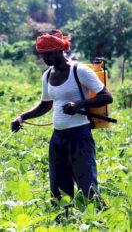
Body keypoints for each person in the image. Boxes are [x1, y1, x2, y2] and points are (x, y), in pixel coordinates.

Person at [11, 30, 112, 207]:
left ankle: (103, 221)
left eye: (48, 54)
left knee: (87, 186)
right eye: (42, 55)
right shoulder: (47, 75)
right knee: (58, 189)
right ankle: (63, 222)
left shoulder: (78, 70)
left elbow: (106, 96)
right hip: (57, 138)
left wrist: (79, 104)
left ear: (59, 50)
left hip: (80, 136)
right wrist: (22, 117)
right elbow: (45, 105)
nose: (45, 58)